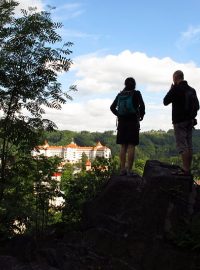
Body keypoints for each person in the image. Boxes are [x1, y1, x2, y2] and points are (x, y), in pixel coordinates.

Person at [163, 70, 199, 175]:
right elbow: (197, 106)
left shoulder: (176, 89)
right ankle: (188, 168)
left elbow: (165, 101)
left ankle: (185, 169)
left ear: (175, 78)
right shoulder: (192, 90)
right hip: (190, 121)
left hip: (179, 121)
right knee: (189, 145)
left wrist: (171, 89)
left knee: (182, 146)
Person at [110, 77, 145, 176]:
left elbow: (112, 107)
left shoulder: (120, 94)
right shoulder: (136, 93)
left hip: (122, 123)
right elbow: (142, 106)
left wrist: (119, 114)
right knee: (131, 146)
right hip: (133, 122)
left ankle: (122, 169)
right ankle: (129, 170)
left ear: (125, 84)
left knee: (123, 146)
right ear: (134, 84)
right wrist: (141, 116)